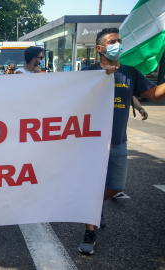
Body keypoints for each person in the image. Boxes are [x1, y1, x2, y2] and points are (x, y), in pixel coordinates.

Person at [78, 27, 165, 255]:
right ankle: (90, 230)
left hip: (118, 142)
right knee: (90, 185)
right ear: (99, 49)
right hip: (90, 142)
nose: (117, 44)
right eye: (112, 41)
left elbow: (155, 94)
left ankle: (94, 206)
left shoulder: (130, 73)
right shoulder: (87, 73)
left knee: (116, 187)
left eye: (119, 40)